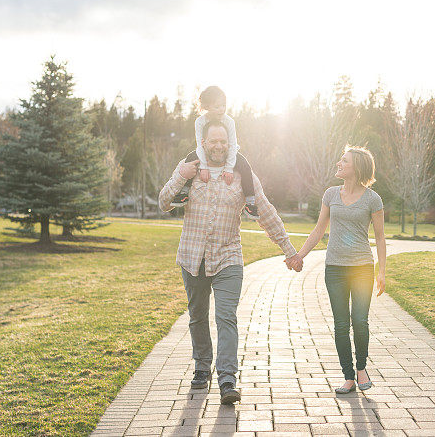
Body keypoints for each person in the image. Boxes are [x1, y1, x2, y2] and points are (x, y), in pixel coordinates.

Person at [159, 120, 300, 404]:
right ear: (204, 141)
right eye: (214, 141)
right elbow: (163, 202)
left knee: (226, 316)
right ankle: (202, 367)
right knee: (197, 316)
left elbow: (265, 211)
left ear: (231, 142)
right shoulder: (189, 168)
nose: (219, 145)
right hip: (192, 258)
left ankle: (227, 379)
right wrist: (179, 177)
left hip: (228, 258)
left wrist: (288, 249)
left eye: (224, 141)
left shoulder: (241, 174)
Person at [286, 146, 386, 394]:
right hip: (335, 269)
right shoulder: (330, 194)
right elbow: (319, 230)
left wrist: (381, 271)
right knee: (341, 323)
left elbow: (381, 237)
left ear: (357, 167)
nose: (338, 164)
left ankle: (361, 368)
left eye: (344, 161)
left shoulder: (373, 199)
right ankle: (348, 376)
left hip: (362, 268)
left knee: (360, 321)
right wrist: (299, 255)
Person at [171, 86, 258, 219]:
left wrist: (229, 168)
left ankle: (250, 203)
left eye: (223, 106)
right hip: (206, 151)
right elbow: (200, 145)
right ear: (207, 106)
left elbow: (233, 144)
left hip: (228, 151)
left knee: (244, 164)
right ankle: (184, 193)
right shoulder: (200, 121)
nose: (221, 109)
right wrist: (203, 167)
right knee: (190, 158)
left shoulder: (229, 121)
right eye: (217, 107)